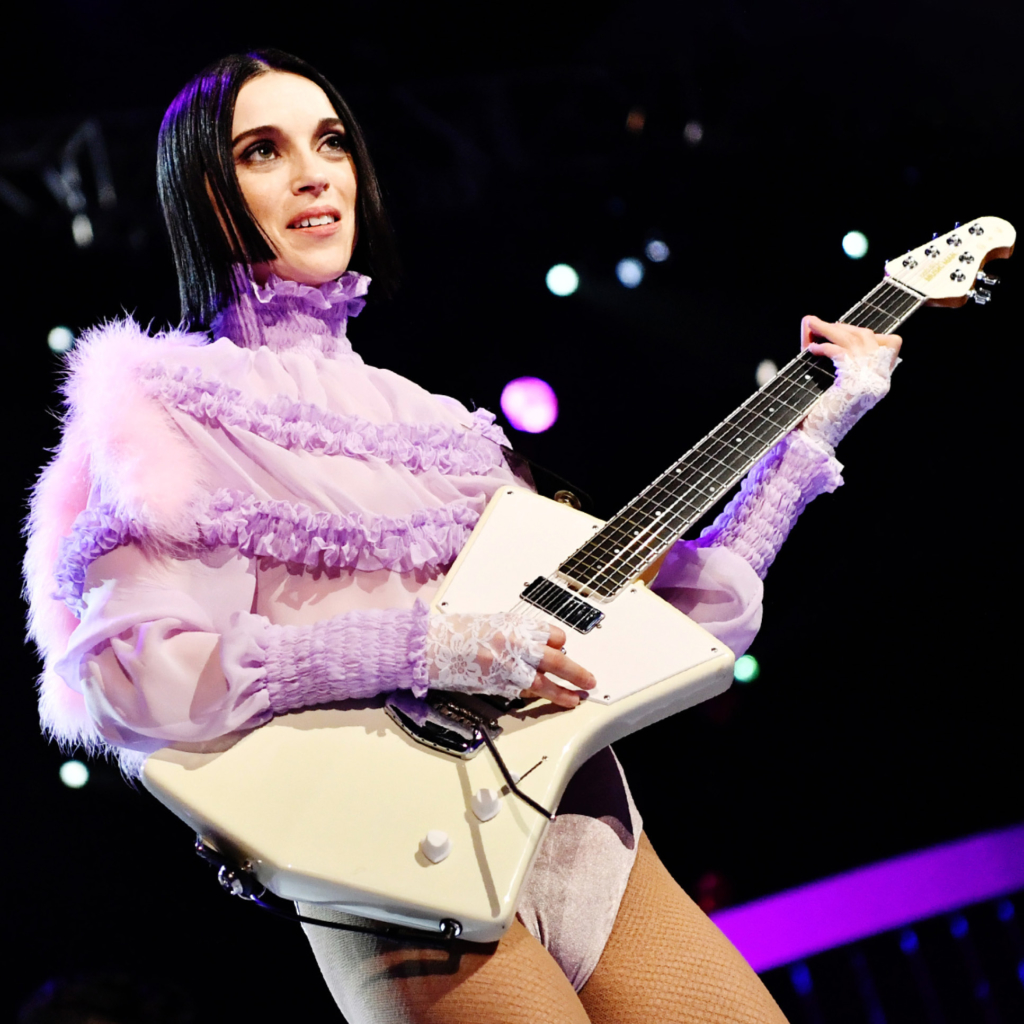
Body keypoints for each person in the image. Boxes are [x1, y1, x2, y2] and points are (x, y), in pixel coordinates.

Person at [23, 49, 901, 1024]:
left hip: (580, 825)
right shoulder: (166, 409)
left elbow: (659, 621)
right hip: (392, 868)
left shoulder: (444, 427)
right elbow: (139, 675)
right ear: (201, 193)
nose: (314, 174)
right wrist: (420, 646)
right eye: (262, 151)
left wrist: (804, 446)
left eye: (330, 142)